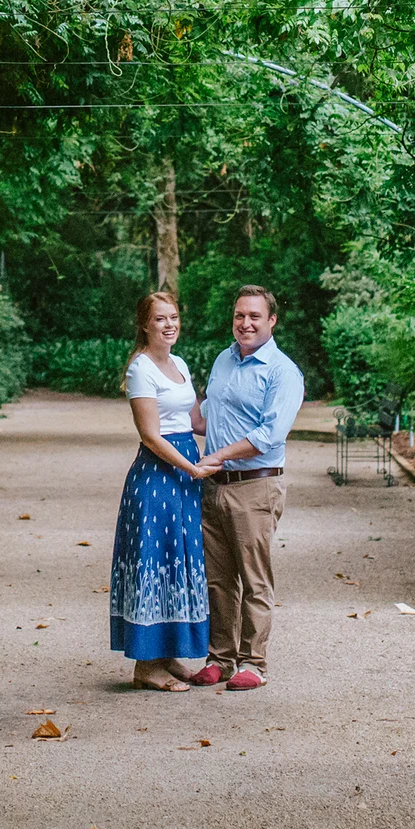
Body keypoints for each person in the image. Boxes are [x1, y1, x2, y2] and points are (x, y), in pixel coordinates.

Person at [189, 285, 303, 693]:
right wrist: (161, 389)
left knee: (254, 580)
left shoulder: (282, 372)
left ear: (271, 321)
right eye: (240, 315)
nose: (245, 323)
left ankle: (253, 663)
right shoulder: (224, 359)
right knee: (218, 580)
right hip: (214, 486)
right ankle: (220, 658)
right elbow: (202, 418)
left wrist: (217, 456)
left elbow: (270, 435)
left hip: (256, 486)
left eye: (255, 316)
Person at [107, 290, 212, 691]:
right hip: (157, 476)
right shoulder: (141, 369)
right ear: (145, 325)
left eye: (174, 317)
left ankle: (168, 655)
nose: (169, 325)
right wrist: (193, 467)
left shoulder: (180, 364)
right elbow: (151, 435)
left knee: (178, 559)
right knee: (154, 559)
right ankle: (146, 667)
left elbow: (195, 421)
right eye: (160, 319)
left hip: (185, 473)